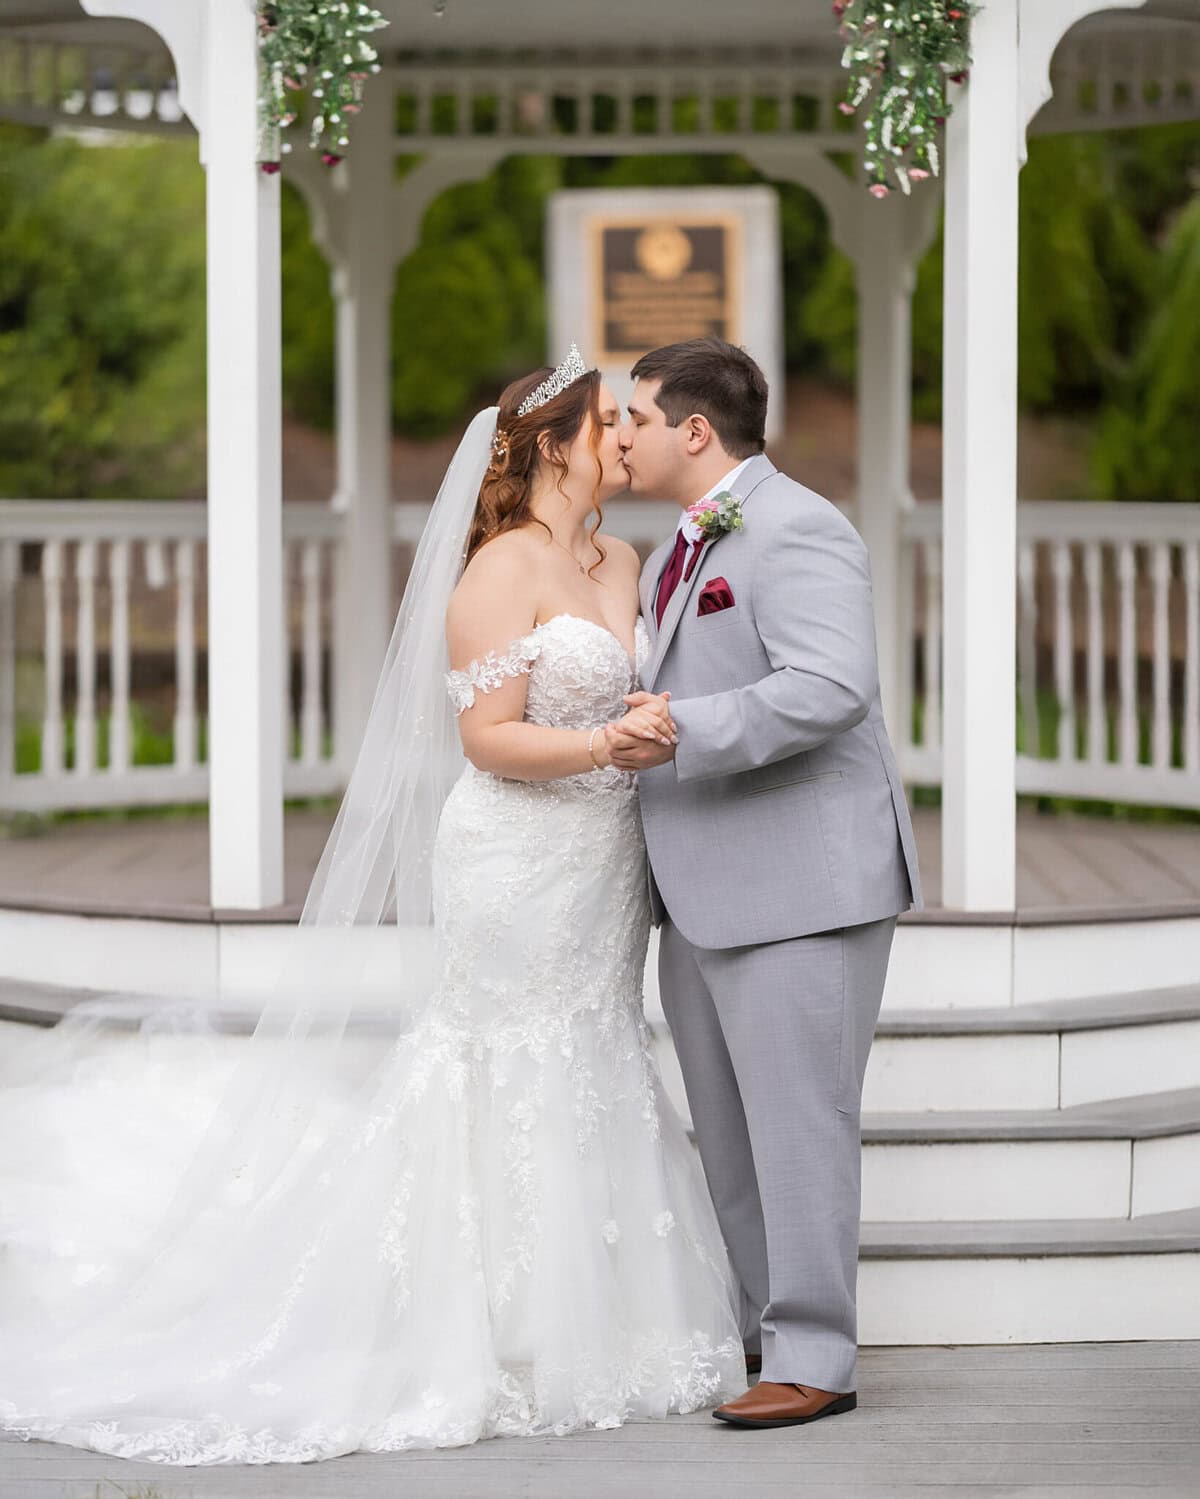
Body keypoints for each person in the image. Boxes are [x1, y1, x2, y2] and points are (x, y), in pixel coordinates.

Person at [0, 348, 744, 1465]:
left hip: (607, 863)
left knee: (595, 1048)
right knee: (503, 1052)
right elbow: (486, 739)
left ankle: (605, 1318)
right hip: (517, 858)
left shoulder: (626, 556)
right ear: (553, 445)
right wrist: (604, 740)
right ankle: (484, 1324)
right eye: (607, 425)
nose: (625, 440)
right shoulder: (499, 571)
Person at [611, 336, 923, 1430]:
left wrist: (678, 728)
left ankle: (815, 1354)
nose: (620, 435)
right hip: (700, 885)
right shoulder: (667, 555)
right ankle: (757, 1330)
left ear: (696, 431)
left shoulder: (799, 527)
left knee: (800, 1123)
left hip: (804, 882)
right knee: (732, 1133)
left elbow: (832, 685)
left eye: (635, 417)